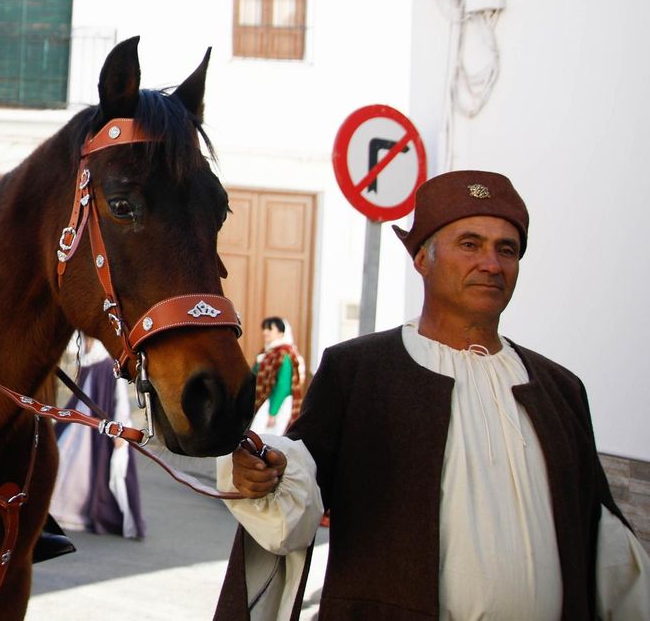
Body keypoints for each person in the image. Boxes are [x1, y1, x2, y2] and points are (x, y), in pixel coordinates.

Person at [215, 170, 649, 620]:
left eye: (507, 249)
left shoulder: (560, 390)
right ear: (422, 258)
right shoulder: (358, 372)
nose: (492, 264)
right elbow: (294, 507)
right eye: (470, 244)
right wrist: (262, 477)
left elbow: (606, 548)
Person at [49, 339, 145, 540]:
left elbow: (120, 395)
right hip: (80, 419)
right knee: (62, 455)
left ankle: (88, 512)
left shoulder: (106, 360)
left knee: (87, 467)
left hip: (98, 423)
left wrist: (121, 426)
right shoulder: (84, 353)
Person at [250, 316, 305, 435]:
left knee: (266, 438)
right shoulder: (267, 352)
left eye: (270, 329)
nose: (265, 332)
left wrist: (272, 413)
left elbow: (283, 385)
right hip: (265, 401)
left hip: (278, 404)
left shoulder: (284, 353)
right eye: (264, 329)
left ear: (281, 333)